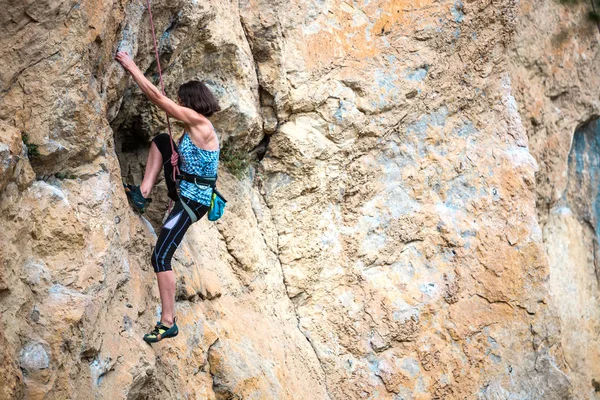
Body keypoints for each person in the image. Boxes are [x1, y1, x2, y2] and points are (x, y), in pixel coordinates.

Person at [115, 51, 221, 343]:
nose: (180, 104)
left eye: (182, 100)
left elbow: (157, 98)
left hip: (192, 202)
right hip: (184, 186)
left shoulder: (200, 124)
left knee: (161, 255)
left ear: (191, 101)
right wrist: (177, 160)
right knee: (163, 140)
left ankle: (168, 322)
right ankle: (143, 194)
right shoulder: (193, 127)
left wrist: (131, 67)